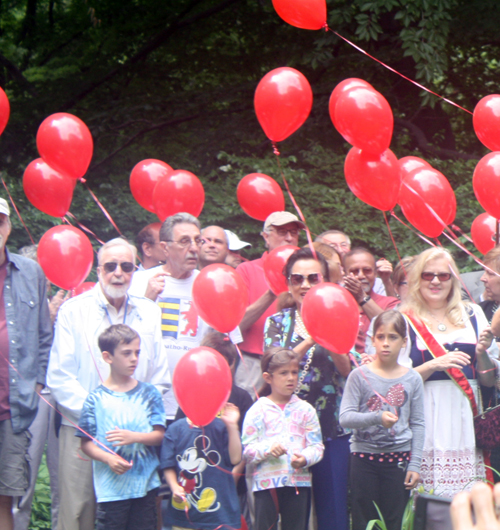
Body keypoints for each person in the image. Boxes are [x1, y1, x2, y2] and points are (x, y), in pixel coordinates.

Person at [48, 237, 169, 530]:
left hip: (133, 434)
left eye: (126, 266)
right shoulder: (73, 310)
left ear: (134, 270)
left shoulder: (149, 311)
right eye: (111, 266)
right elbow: (59, 377)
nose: (119, 273)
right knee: (78, 511)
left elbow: (158, 376)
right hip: (82, 430)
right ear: (99, 270)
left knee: (134, 515)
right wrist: (99, 420)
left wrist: (136, 425)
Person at [264, 247, 351, 530]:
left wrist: (332, 332)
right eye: (296, 279)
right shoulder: (277, 323)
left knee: (334, 512)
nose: (305, 285)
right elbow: (277, 366)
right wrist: (313, 335)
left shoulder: (341, 314)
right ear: (288, 282)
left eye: (313, 278)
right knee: (291, 516)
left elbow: (347, 370)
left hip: (331, 428)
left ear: (325, 280)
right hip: (286, 433)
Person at [400, 247, 499, 496]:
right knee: (428, 498)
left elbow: (488, 381)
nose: (435, 281)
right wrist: (434, 365)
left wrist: (482, 354)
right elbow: (395, 382)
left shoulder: (473, 314)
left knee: (467, 495)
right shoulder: (403, 319)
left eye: (443, 276)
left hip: (466, 415)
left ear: (453, 279)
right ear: (416, 279)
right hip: (426, 415)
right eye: (427, 275)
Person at [339, 310, 425, 530]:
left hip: (398, 459)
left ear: (404, 342)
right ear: (372, 340)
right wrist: (377, 418)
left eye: (393, 337)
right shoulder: (358, 376)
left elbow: (417, 423)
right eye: (381, 337)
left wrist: (414, 463)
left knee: (394, 520)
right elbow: (345, 417)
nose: (386, 343)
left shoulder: (412, 378)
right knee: (364, 520)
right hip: (364, 458)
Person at [77, 324, 165, 530]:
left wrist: (135, 437)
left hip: (145, 486)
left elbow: (159, 434)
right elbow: (86, 444)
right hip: (111, 489)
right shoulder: (95, 399)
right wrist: (109, 458)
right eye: (127, 353)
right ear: (108, 357)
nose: (134, 358)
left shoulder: (150, 393)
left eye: (137, 352)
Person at [0, 198, 52, 530]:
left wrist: (35, 384)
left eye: (0, 221)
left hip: (12, 408)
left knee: (5, 497)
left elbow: (45, 335)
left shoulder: (30, 271)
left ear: (8, 227)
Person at [129, 212, 209, 420]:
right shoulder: (137, 282)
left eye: (197, 241)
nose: (193, 248)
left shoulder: (211, 285)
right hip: (142, 404)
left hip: (193, 407)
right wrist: (148, 300)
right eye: (184, 241)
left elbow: (224, 348)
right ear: (165, 248)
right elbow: (121, 339)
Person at [174, 331, 254, 527]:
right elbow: (179, 439)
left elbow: (248, 443)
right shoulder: (190, 394)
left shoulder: (241, 397)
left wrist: (233, 477)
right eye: (218, 363)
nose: (225, 369)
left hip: (233, 484)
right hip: (198, 482)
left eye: (230, 363)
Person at [242, 347, 324, 530]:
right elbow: (247, 451)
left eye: (294, 372)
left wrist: (304, 459)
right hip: (266, 485)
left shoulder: (306, 410)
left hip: (298, 483)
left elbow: (317, 446)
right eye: (283, 373)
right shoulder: (257, 410)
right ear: (268, 377)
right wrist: (268, 449)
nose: (291, 378)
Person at [235, 211, 304, 397]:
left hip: (298, 366)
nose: (289, 238)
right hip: (254, 363)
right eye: (282, 232)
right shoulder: (246, 270)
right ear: (265, 236)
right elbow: (236, 326)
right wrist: (272, 290)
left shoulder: (307, 274)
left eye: (294, 232)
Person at [160, 402, 242, 530]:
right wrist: (174, 487)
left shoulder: (222, 427)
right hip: (184, 515)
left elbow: (235, 458)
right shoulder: (175, 429)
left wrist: (232, 426)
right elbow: (167, 464)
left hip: (221, 514)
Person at [343, 247, 399, 353]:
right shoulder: (334, 303)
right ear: (344, 273)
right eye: (354, 271)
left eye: (367, 270)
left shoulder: (390, 303)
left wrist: (362, 297)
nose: (361, 276)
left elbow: (390, 330)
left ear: (375, 273)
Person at [315, 230, 395, 296]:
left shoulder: (376, 282)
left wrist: (386, 281)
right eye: (332, 246)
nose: (340, 250)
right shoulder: (315, 281)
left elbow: (391, 309)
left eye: (343, 245)